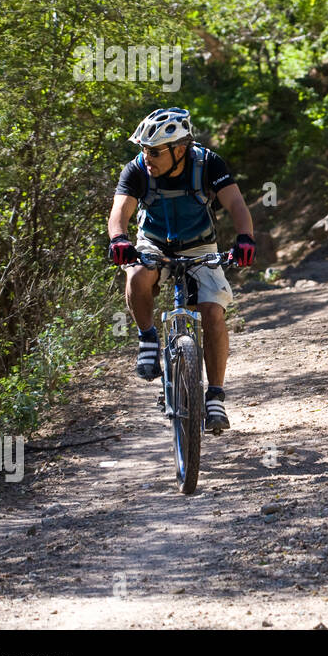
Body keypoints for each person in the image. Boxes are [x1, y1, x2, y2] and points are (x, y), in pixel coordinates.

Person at [105, 108, 255, 434]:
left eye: (155, 151)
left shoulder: (207, 164)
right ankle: (147, 339)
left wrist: (245, 238)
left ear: (180, 149)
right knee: (136, 274)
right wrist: (119, 238)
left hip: (199, 246)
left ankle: (214, 395)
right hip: (154, 243)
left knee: (213, 311)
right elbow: (120, 211)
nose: (147, 157)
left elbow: (236, 204)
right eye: (144, 148)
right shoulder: (137, 169)